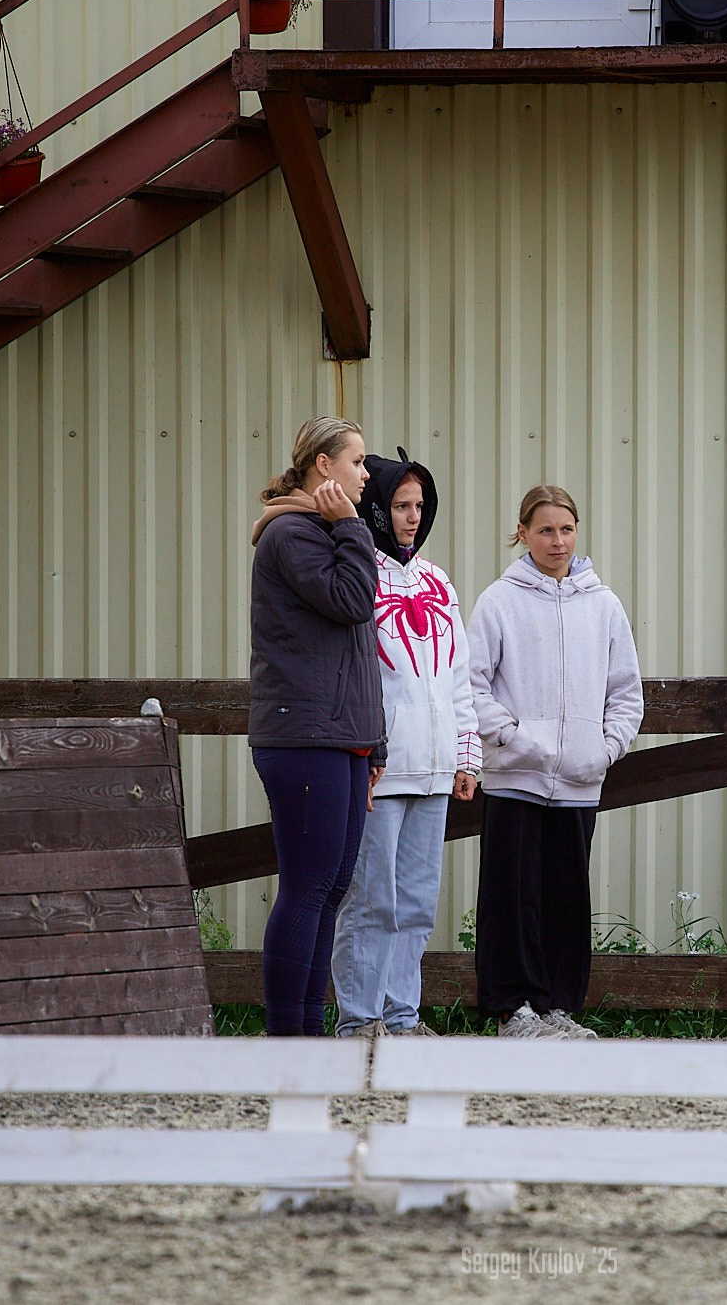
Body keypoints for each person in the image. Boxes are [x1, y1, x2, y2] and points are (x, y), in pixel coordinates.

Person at [467, 485, 643, 1040]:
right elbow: (470, 684)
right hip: (514, 776)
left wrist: (604, 749)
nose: (557, 541)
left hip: (578, 783)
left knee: (567, 896)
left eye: (566, 529)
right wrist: (516, 739)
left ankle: (558, 1008)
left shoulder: (604, 605)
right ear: (522, 533)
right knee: (510, 897)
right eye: (544, 530)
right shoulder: (499, 600)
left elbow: (626, 693)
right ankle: (510, 1009)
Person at [329, 448, 481, 1038]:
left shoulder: (438, 581)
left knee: (416, 904)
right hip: (380, 770)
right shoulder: (357, 575)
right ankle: (360, 1019)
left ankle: (402, 1014)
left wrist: (466, 756)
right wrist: (364, 754)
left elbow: (459, 678)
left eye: (420, 506)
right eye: (399, 505)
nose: (412, 517)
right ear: (374, 507)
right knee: (372, 902)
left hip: (436, 768)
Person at [248, 415, 384, 1037]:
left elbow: (358, 649)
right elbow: (355, 601)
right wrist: (353, 530)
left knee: (331, 888)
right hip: (303, 737)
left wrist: (374, 743)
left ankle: (308, 1032)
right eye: (356, 461)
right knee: (307, 887)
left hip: (343, 737)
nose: (365, 474)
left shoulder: (325, 532)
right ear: (323, 465)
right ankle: (285, 1037)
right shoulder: (293, 535)